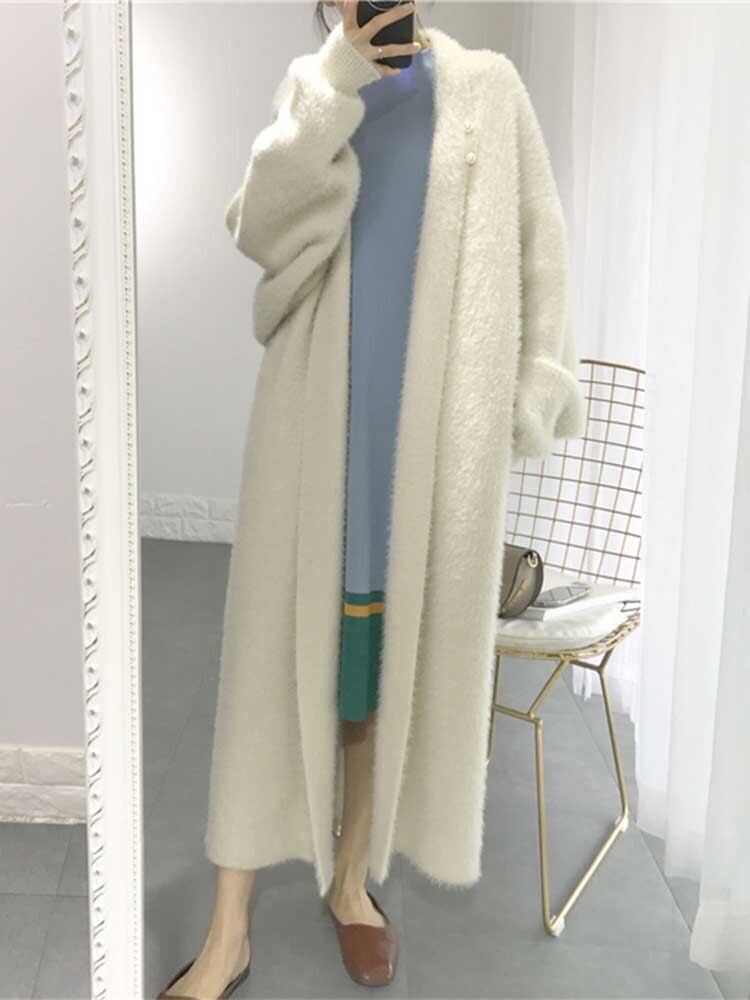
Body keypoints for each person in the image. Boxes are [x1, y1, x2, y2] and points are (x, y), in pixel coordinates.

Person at [158, 0, 585, 995]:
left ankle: (350, 881)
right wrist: (335, 81)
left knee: (379, 675)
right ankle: (228, 930)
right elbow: (261, 230)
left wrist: (527, 398)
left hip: (434, 443)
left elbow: (543, 252)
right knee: (270, 664)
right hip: (318, 426)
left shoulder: (488, 92)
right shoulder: (316, 86)